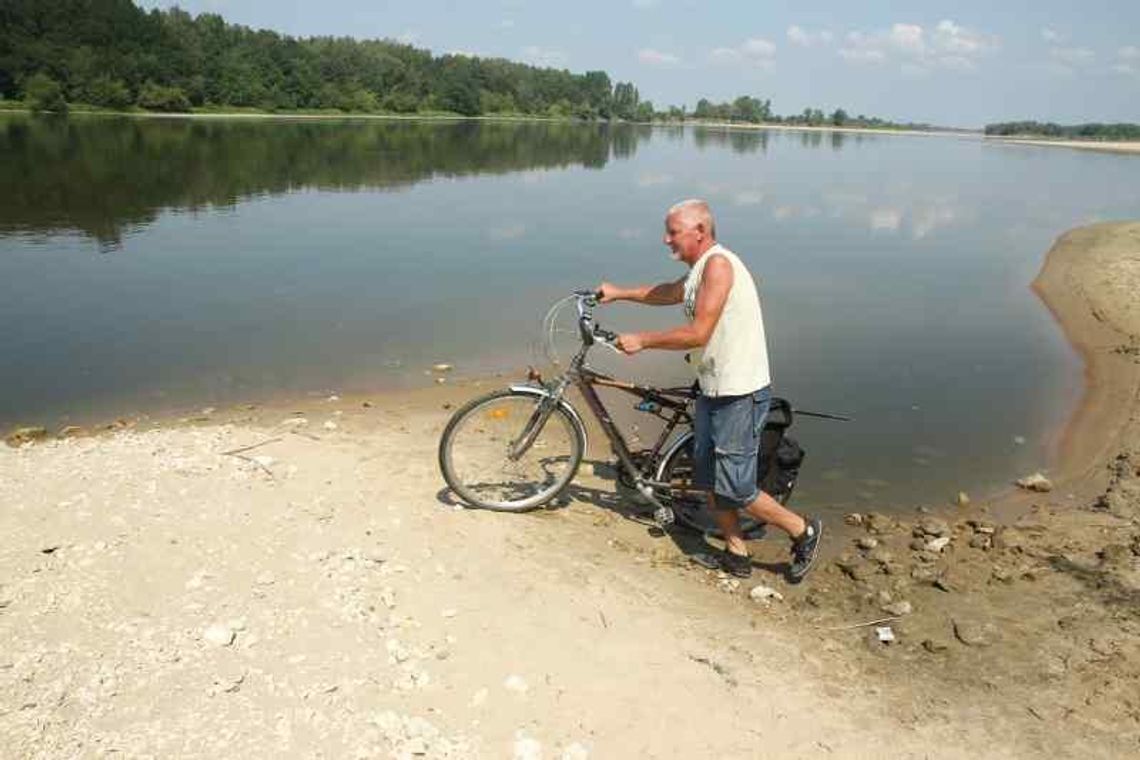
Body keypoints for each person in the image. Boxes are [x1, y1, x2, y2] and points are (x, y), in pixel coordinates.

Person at [598, 199, 822, 582]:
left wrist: (643, 340)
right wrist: (619, 292)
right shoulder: (700, 269)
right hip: (711, 386)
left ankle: (804, 530)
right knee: (707, 476)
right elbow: (669, 292)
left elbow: (698, 333)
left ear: (700, 231)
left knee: (736, 486)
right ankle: (736, 551)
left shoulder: (719, 265)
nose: (666, 239)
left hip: (739, 391)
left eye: (673, 232)